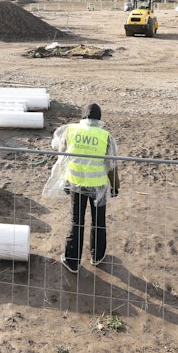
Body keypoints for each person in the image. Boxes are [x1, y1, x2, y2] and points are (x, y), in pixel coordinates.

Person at [51, 102, 119, 274]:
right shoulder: (105, 136)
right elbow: (111, 165)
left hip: (76, 183)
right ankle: (97, 256)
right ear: (99, 118)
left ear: (83, 116)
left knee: (77, 221)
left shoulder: (71, 131)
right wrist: (115, 185)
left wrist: (64, 181)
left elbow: (62, 157)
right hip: (98, 186)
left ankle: (72, 261)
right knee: (99, 221)